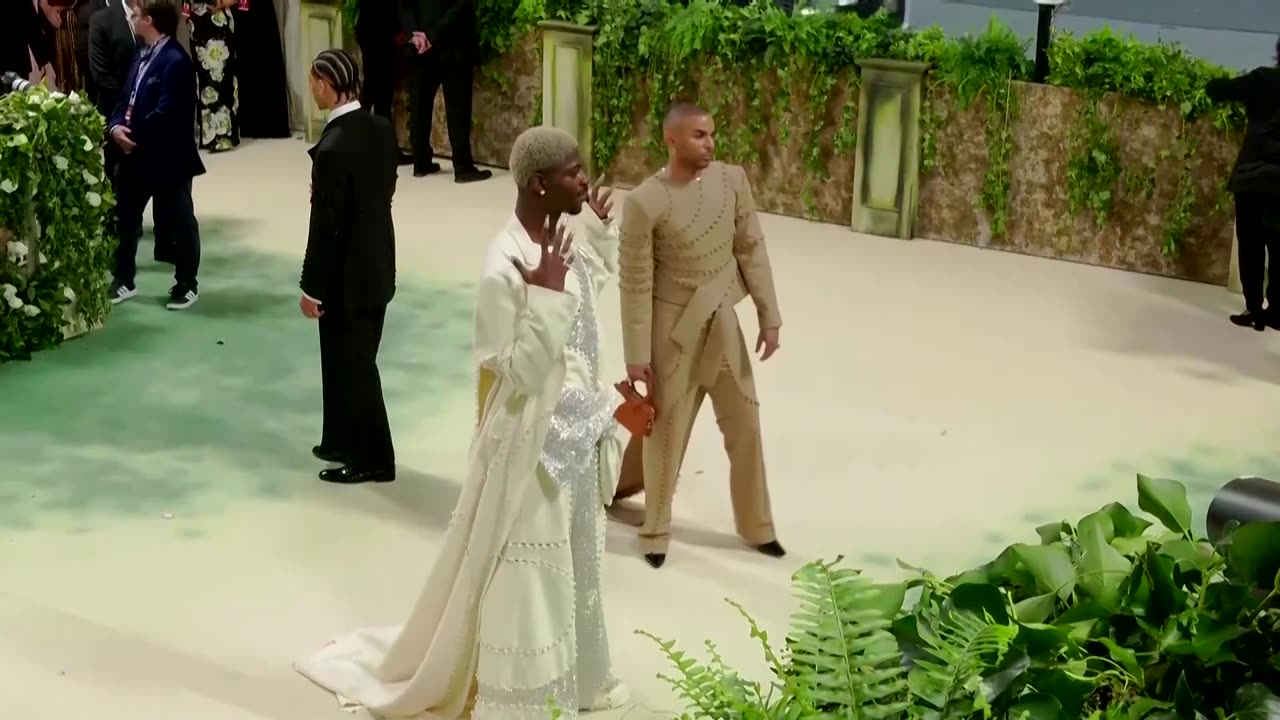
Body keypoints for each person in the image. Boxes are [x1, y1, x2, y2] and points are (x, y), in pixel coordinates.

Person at [294, 126, 629, 718]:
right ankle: (520, 698)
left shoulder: (554, 240)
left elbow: (582, 313)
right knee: (529, 571)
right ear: (538, 184)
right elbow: (518, 370)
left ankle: (576, 685)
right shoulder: (502, 265)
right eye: (575, 172)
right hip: (529, 447)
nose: (586, 179)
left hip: (572, 434)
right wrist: (547, 297)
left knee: (576, 562)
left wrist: (599, 240)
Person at [616, 103, 786, 569]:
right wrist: (635, 355)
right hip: (671, 330)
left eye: (712, 134)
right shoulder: (644, 201)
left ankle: (758, 527)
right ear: (671, 139)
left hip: (724, 322)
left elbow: (751, 246)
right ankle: (654, 529)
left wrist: (769, 315)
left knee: (745, 424)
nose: (710, 143)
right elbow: (635, 282)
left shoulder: (733, 181)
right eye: (699, 135)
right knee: (665, 429)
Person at [299, 49, 398, 485]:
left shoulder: (334, 148)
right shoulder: (380, 129)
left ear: (324, 83)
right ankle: (339, 437)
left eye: (313, 81)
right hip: (378, 262)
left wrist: (311, 287)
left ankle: (376, 458)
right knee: (340, 358)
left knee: (355, 365)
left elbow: (326, 229)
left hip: (348, 277)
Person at [107, 0, 204, 310]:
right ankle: (124, 279)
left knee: (180, 222)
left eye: (136, 15)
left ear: (149, 20)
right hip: (134, 155)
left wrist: (132, 135)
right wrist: (114, 128)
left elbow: (169, 113)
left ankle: (187, 284)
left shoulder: (177, 61)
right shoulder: (140, 56)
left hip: (168, 158)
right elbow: (125, 98)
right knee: (125, 218)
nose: (132, 19)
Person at [1207, 37, 1280, 332]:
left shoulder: (1262, 78)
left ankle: (1255, 310)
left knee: (1251, 244)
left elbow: (1217, 89)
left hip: (1252, 177)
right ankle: (1277, 311)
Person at [398, 0, 492, 183]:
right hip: (453, 44)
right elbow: (460, 5)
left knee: (420, 104)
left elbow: (403, 5)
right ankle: (462, 166)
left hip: (420, 47)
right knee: (458, 107)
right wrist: (432, 36)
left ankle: (421, 162)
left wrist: (415, 34)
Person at [232, 0, 290, 138]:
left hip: (258, 8)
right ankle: (247, 122)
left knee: (264, 55)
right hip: (236, 11)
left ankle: (268, 122)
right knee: (242, 58)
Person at [187, 0, 239, 152]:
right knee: (202, 76)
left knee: (221, 74)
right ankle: (207, 134)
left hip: (218, 18)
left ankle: (223, 135)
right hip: (197, 20)